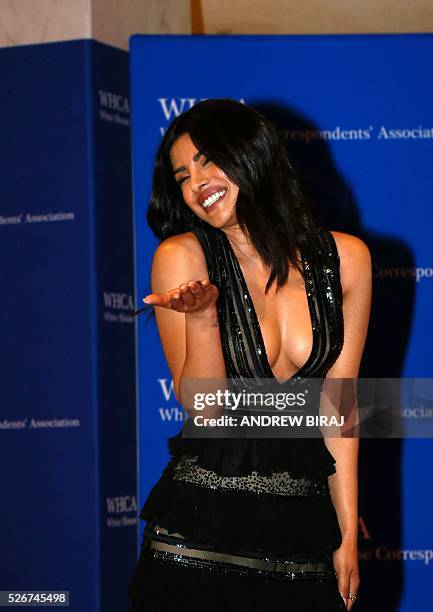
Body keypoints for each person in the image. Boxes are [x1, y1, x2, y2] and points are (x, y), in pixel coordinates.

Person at [127, 99, 372, 611]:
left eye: (207, 159)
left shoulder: (347, 259)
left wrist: (346, 532)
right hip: (198, 537)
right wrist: (202, 318)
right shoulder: (182, 258)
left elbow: (340, 407)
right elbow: (207, 410)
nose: (195, 183)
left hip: (302, 533)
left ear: (252, 154)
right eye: (181, 176)